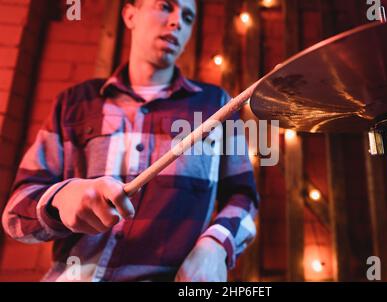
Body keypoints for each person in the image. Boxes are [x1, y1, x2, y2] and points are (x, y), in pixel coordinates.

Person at [1, 0, 258, 282]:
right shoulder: (74, 103)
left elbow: (243, 195)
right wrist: (60, 199)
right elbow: (16, 212)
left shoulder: (216, 104)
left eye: (187, 16)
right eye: (165, 6)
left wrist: (217, 244)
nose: (177, 22)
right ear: (130, 14)